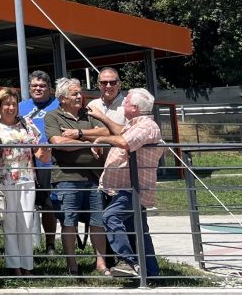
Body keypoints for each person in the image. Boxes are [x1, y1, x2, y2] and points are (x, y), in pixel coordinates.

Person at [93, 88, 163, 279]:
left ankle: (128, 261)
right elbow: (120, 133)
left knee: (110, 217)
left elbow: (124, 141)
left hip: (133, 188)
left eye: (126, 102)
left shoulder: (146, 126)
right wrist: (101, 121)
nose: (122, 104)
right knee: (139, 231)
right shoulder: (136, 124)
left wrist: (101, 139)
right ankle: (151, 273)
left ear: (135, 107)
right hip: (125, 187)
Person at [44, 77, 111, 277]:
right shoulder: (52, 117)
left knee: (98, 221)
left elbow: (106, 131)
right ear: (62, 98)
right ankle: (72, 266)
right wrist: (90, 141)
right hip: (66, 178)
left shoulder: (88, 113)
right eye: (75, 93)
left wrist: (79, 133)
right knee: (69, 221)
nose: (80, 96)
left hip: (94, 177)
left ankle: (101, 263)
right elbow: (59, 143)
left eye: (80, 92)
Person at [0, 88, 49, 276]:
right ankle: (14, 267)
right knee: (10, 224)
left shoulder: (27, 123)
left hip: (27, 178)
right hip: (4, 180)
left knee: (26, 223)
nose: (10, 107)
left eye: (14, 104)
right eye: (6, 104)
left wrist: (46, 152)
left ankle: (28, 267)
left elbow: (39, 150)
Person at [17, 70, 60, 257]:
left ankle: (50, 245)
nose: (38, 89)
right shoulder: (20, 107)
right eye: (34, 86)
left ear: (50, 89)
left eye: (42, 86)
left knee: (49, 206)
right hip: (25, 164)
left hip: (50, 163)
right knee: (24, 206)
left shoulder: (58, 105)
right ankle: (23, 247)